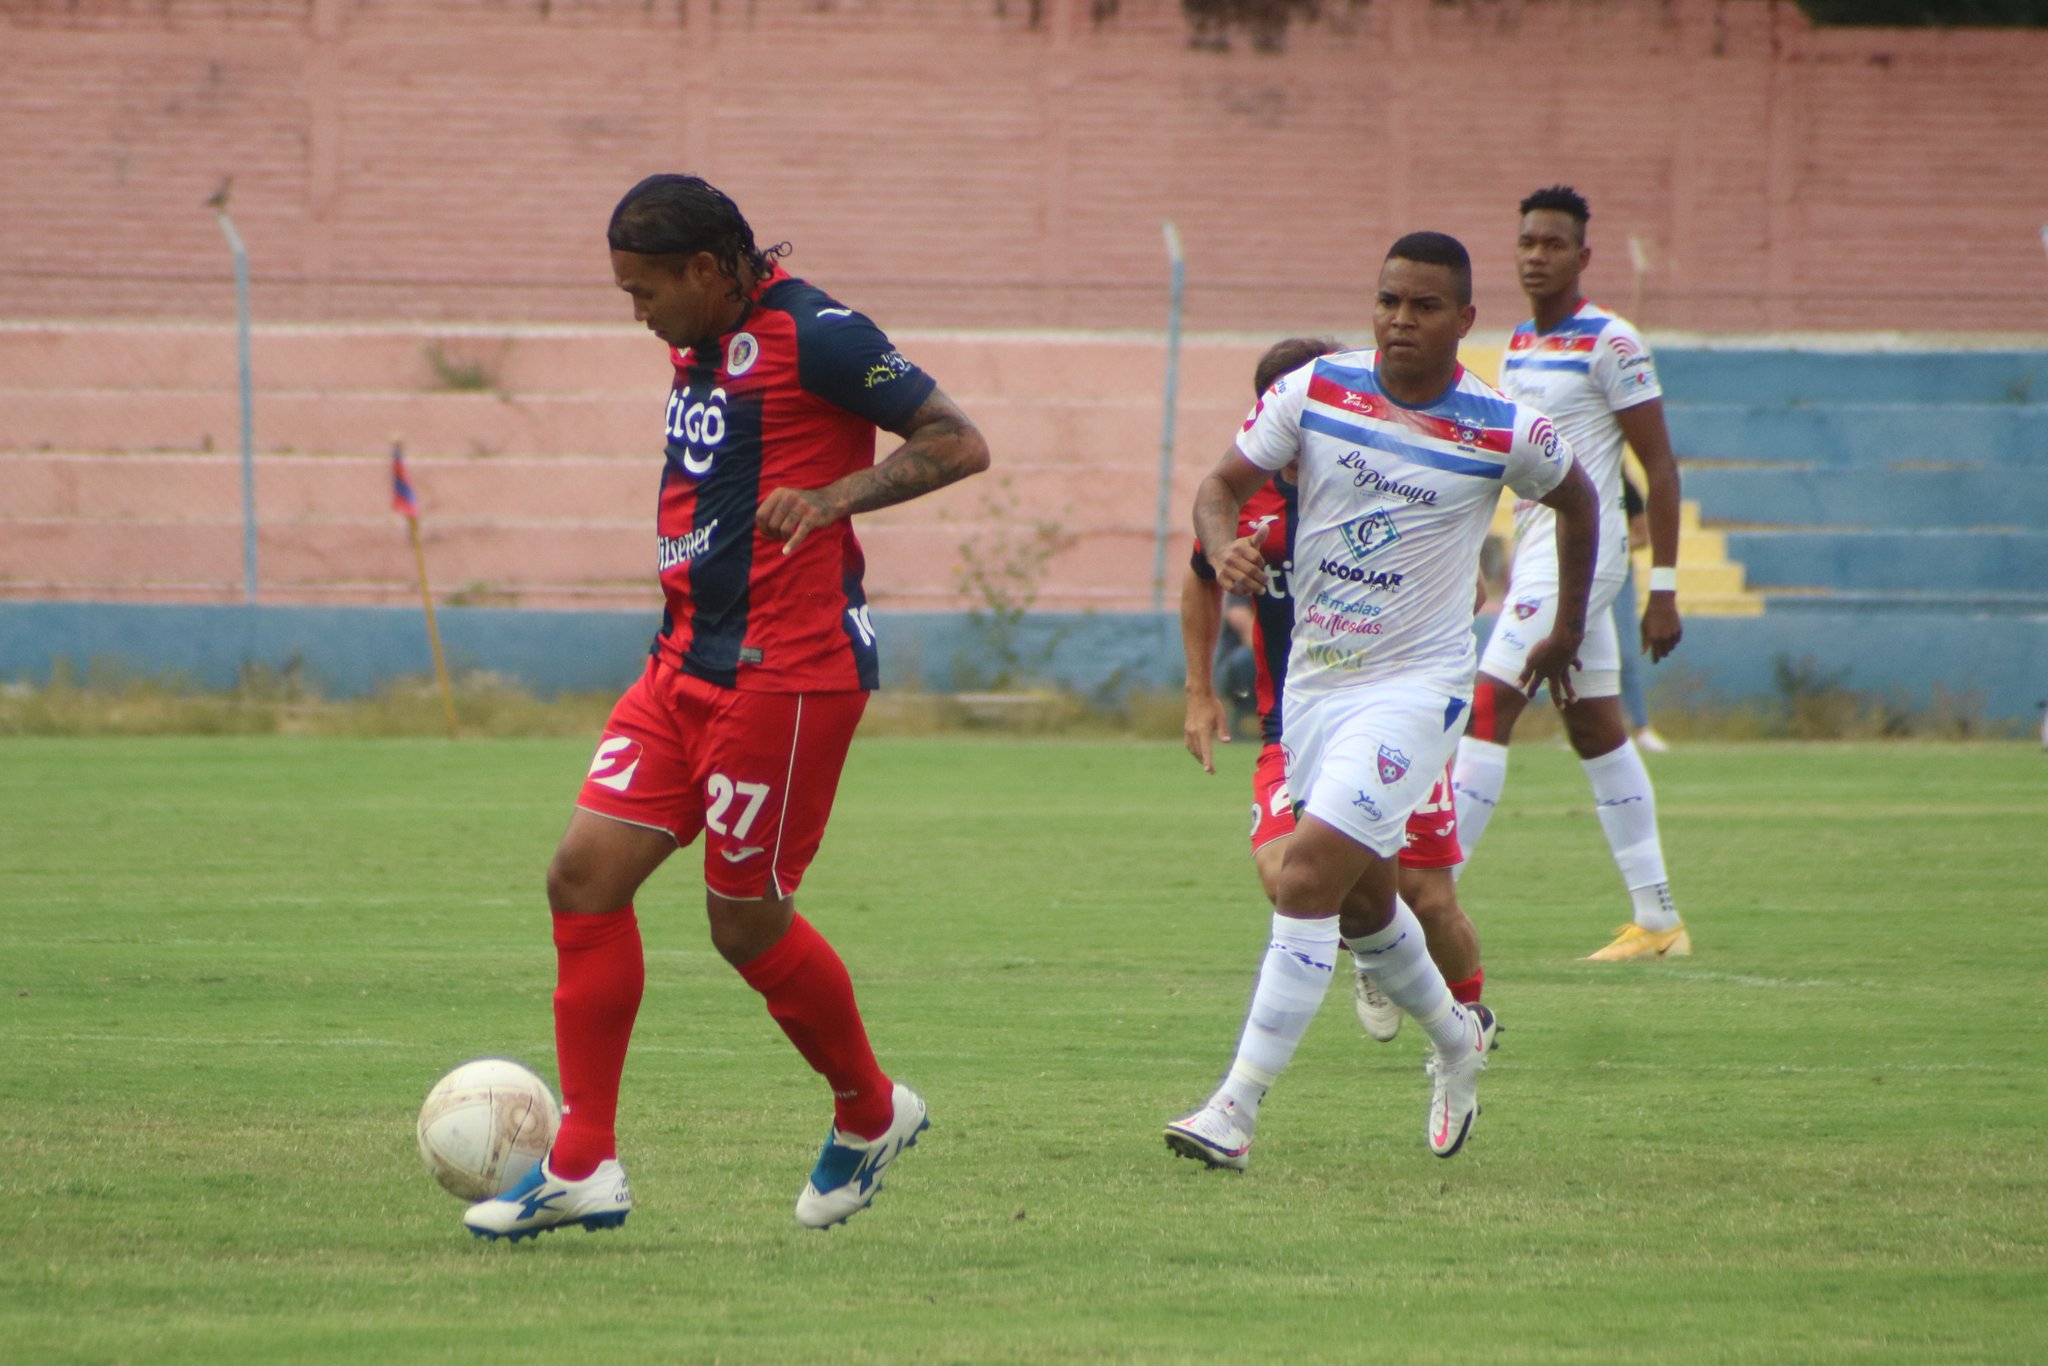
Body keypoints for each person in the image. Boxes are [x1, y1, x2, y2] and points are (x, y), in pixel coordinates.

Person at [463, 174, 991, 1241]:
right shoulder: (701, 336)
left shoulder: (821, 333)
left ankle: (870, 1108)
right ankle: (583, 1163)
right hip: (680, 665)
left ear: (708, 269)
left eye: (645, 289)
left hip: (785, 676)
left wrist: (838, 496)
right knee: (580, 877)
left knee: (742, 920)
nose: (637, 312)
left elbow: (956, 440)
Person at [1164, 233, 1598, 1171]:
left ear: (1465, 321)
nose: (1401, 320)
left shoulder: (1504, 428)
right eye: (1389, 301)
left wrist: (1563, 628)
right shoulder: (1317, 391)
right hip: (1316, 690)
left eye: (1425, 306)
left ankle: (1234, 1111)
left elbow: (1582, 501)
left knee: (1307, 878)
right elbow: (1218, 486)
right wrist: (1224, 541)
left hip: (1416, 691)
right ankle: (1455, 1042)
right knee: (1365, 907)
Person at [1179, 337, 1491, 1048]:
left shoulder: (1384, 474)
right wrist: (1200, 689)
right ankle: (1370, 955)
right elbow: (1198, 573)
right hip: (1294, 725)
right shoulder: (1245, 495)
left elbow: (1467, 586)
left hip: (1398, 712)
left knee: (1429, 898)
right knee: (1287, 873)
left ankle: (1471, 1022)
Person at [1452, 185, 1690, 963]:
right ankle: (1659, 921)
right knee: (1594, 728)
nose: (1535, 255)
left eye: (1553, 244)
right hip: (1535, 554)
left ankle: (1429, 892)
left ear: (1582, 258)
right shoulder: (1518, 343)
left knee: (1487, 709)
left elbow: (1657, 464)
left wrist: (1664, 588)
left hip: (1585, 555)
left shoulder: (1611, 342)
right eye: (1526, 242)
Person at [1614, 474, 1671, 752]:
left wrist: (1613, 546)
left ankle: (1640, 726)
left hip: (1617, 571)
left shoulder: (1625, 487)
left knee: (1626, 652)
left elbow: (1642, 535)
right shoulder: (1575, 477)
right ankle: (1585, 725)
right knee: (1581, 653)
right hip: (1580, 569)